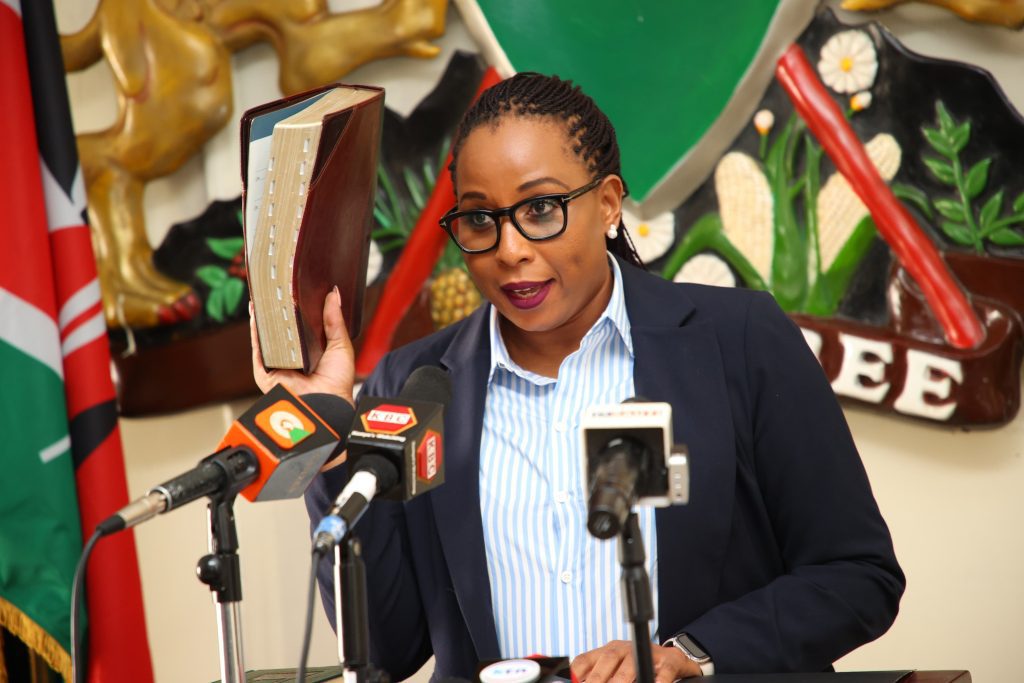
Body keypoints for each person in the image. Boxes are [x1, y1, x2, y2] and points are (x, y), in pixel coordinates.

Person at [253, 73, 904, 682]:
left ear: (609, 203)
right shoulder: (414, 383)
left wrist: (688, 654)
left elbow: (855, 574)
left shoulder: (736, 339)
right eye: (480, 218)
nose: (510, 249)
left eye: (540, 209)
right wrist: (330, 445)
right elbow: (384, 653)